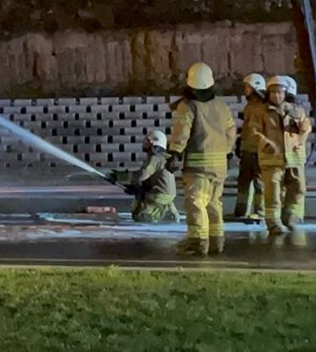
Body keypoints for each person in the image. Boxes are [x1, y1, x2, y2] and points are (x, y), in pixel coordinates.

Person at [168, 62, 237, 256]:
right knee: (214, 203)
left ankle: (198, 241)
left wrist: (175, 152)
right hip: (220, 166)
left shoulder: (188, 106)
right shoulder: (221, 105)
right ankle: (217, 241)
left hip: (198, 166)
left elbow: (182, 131)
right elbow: (231, 131)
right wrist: (227, 150)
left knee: (196, 202)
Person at [255, 75, 313, 235]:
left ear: (285, 93)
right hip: (272, 158)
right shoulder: (261, 112)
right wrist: (265, 142)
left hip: (294, 158)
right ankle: (273, 223)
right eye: (273, 92)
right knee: (273, 191)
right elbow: (253, 132)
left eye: (279, 92)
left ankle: (290, 216)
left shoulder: (296, 110)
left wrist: (303, 130)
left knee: (298, 187)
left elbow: (307, 127)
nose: (276, 95)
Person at [107, 130, 179, 223]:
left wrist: (120, 176)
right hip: (168, 196)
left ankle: (155, 215)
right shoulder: (164, 158)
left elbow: (142, 175)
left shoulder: (155, 158)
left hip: (158, 195)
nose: (145, 143)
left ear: (154, 143)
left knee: (139, 216)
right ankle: (167, 212)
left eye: (147, 141)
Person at [233, 73, 268, 220]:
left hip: (259, 150)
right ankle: (241, 211)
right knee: (244, 180)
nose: (245, 89)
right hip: (247, 149)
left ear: (255, 88)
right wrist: (240, 142)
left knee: (259, 182)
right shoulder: (249, 106)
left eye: (248, 87)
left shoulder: (264, 107)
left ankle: (260, 211)